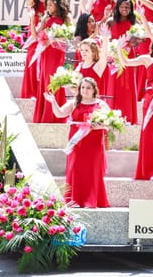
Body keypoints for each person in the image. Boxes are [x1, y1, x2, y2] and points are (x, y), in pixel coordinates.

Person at [44, 77, 110, 208]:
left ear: (94, 90)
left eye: (88, 88)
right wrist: (53, 102)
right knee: (76, 169)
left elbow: (111, 121)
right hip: (77, 143)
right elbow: (59, 114)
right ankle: (74, 200)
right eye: (83, 87)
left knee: (92, 170)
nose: (85, 90)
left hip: (94, 142)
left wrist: (101, 126)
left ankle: (91, 200)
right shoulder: (73, 103)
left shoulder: (100, 104)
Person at [117, 33, 153, 180]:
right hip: (151, 100)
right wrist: (118, 49)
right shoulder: (147, 59)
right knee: (149, 133)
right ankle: (150, 170)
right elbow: (126, 63)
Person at [32, 0, 72, 123]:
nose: (48, 7)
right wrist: (39, 21)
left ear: (57, 5)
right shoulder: (46, 18)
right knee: (45, 79)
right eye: (47, 5)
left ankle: (55, 115)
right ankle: (44, 114)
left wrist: (53, 39)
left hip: (56, 52)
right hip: (46, 52)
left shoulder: (66, 17)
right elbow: (37, 35)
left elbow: (69, 35)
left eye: (50, 5)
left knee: (53, 79)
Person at [107, 0, 139, 125]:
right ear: (117, 7)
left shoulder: (134, 23)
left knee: (127, 86)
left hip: (128, 57)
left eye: (127, 7)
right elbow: (105, 37)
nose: (125, 9)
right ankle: (112, 115)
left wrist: (129, 46)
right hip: (114, 58)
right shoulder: (111, 21)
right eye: (122, 6)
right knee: (114, 85)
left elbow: (137, 42)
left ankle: (128, 116)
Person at [21, 0, 50, 99]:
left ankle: (42, 93)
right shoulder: (34, 1)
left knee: (44, 63)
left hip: (46, 36)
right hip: (33, 35)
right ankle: (31, 94)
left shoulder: (51, 1)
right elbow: (28, 2)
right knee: (32, 63)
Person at [76, 23, 110, 98]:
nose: (83, 52)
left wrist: (105, 38)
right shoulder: (79, 66)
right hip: (81, 102)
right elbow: (75, 88)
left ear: (93, 52)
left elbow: (104, 55)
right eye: (81, 50)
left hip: (95, 103)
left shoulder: (97, 66)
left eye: (86, 50)